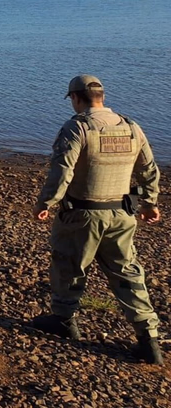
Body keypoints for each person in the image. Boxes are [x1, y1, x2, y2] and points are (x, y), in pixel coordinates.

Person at [31, 74, 162, 364]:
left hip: (82, 213)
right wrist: (150, 203)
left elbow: (62, 172)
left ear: (76, 98)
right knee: (127, 272)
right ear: (101, 96)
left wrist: (46, 203)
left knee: (69, 264)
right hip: (123, 213)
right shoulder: (130, 127)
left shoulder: (77, 128)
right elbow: (149, 169)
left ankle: (64, 320)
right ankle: (148, 338)